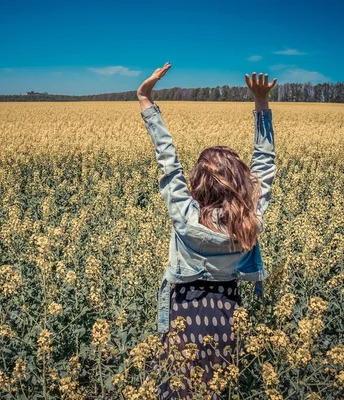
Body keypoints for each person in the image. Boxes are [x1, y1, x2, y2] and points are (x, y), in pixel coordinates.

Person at [137, 63, 277, 399]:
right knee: (217, 385)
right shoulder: (250, 219)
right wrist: (261, 105)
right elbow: (265, 163)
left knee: (178, 381)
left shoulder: (186, 217)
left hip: (184, 308)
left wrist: (145, 99)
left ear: (196, 182)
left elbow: (167, 160)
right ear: (242, 182)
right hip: (225, 308)